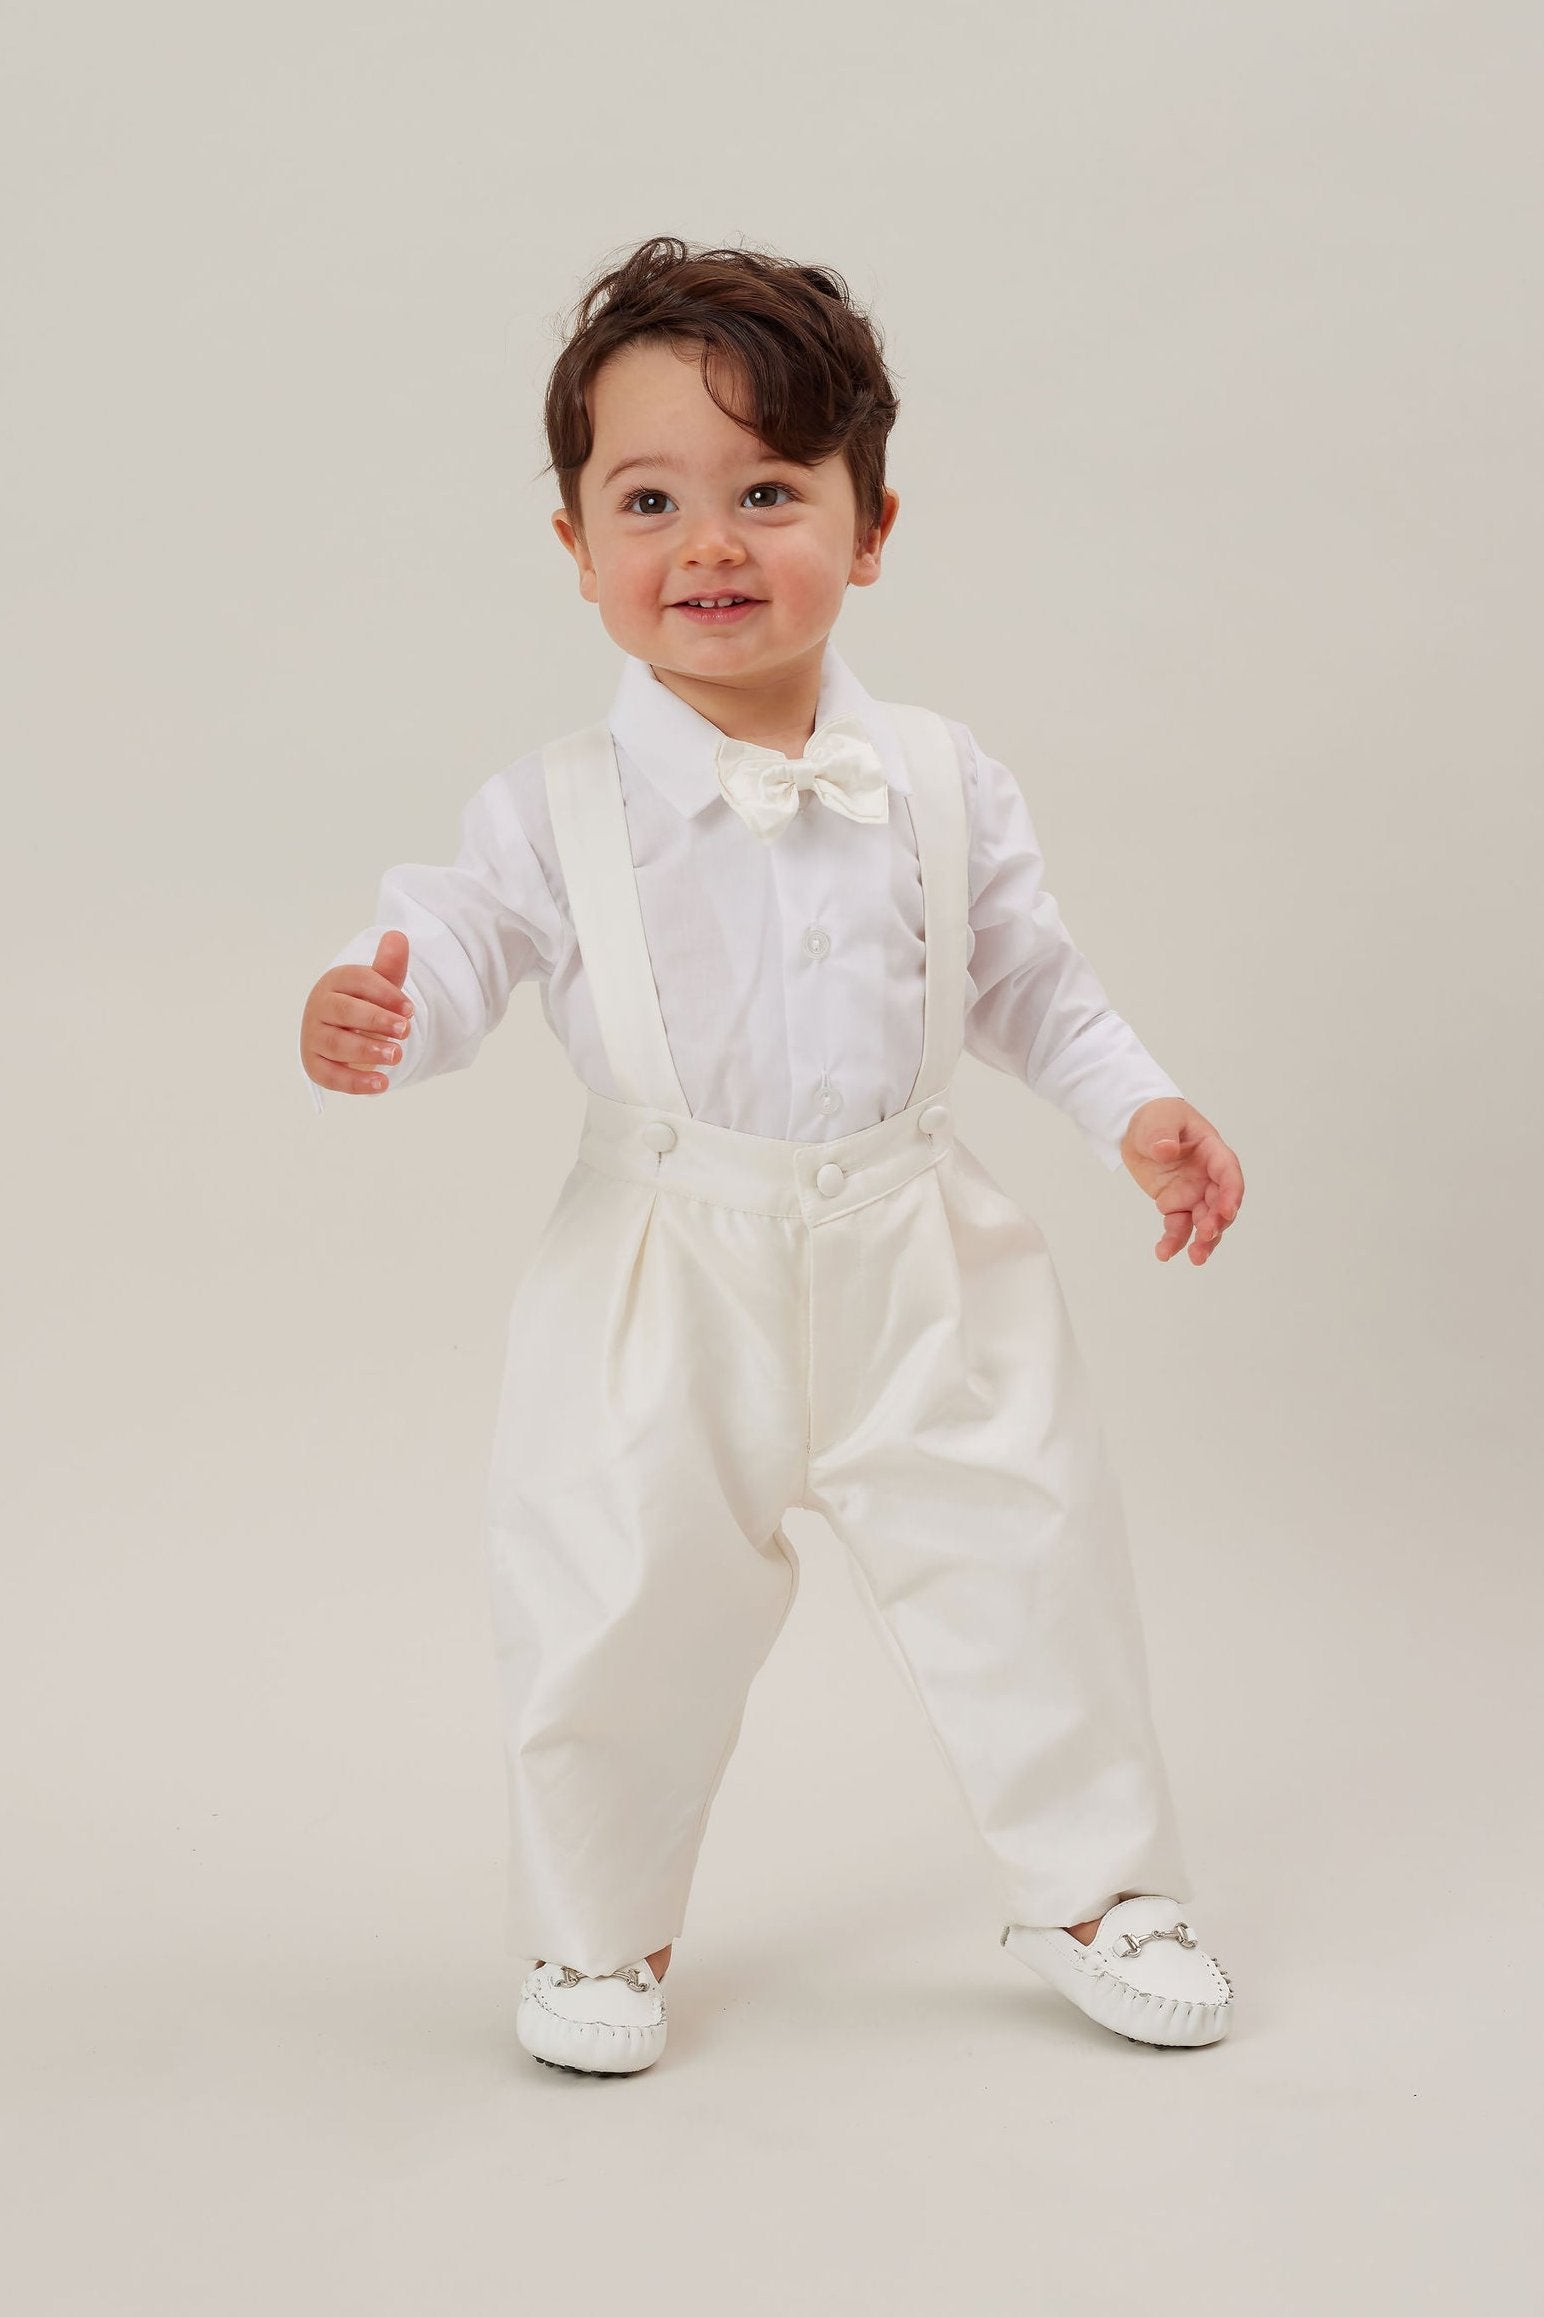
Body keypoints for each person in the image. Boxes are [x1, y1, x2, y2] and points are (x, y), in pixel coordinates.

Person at [298, 236, 1245, 2077]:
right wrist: (381, 1004)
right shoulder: (555, 806)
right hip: (663, 1265)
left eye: (769, 492)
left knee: (1031, 1550)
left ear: (871, 527)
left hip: (922, 1249)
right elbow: (461, 934)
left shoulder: (944, 776)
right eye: (649, 500)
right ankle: (599, 1926)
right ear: (576, 543)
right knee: (615, 1591)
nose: (709, 544)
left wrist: (1136, 1104)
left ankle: (1100, 1885)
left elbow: (1028, 980)